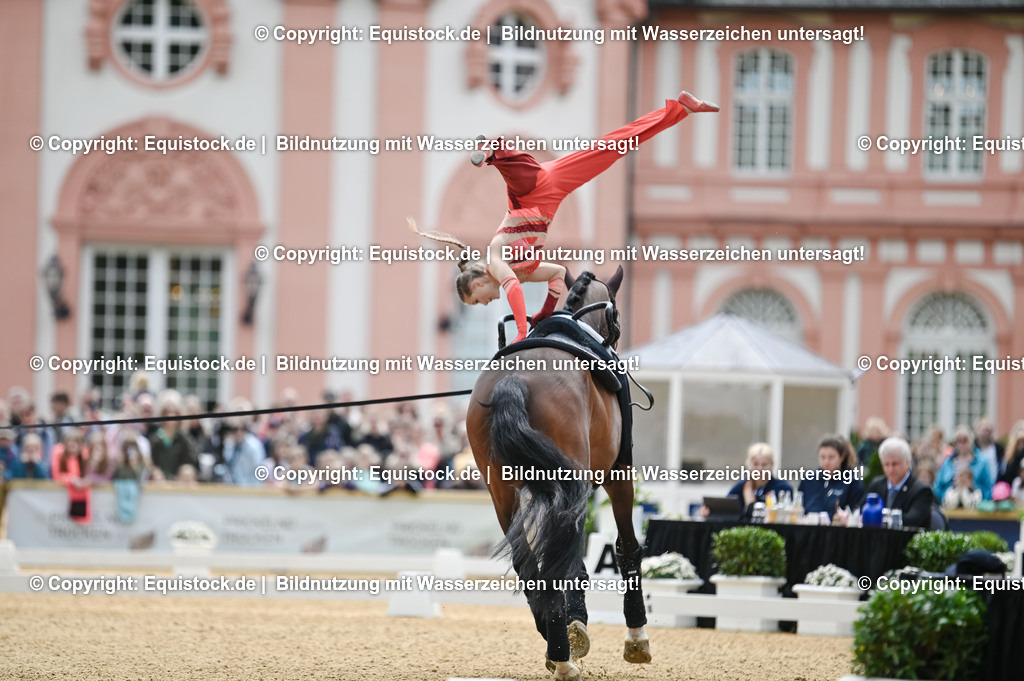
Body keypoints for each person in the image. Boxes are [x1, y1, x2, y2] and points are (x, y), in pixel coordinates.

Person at [411, 90, 719, 344]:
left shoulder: (495, 259)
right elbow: (558, 274)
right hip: (552, 193)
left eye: (478, 300)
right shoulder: (521, 272)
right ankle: (680, 109)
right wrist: (546, 311)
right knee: (613, 147)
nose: (485, 304)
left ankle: (494, 150)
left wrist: (521, 331)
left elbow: (512, 288)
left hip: (529, 195)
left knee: (522, 172)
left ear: (477, 283)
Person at [863, 437, 933, 529]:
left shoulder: (921, 490)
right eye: (886, 464)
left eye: (895, 464)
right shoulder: (876, 484)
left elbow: (913, 520)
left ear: (907, 463)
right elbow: (860, 510)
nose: (890, 469)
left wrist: (877, 517)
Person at [798, 434, 865, 519]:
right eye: (822, 457)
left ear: (842, 457)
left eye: (831, 457)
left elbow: (856, 514)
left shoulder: (853, 482)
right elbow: (798, 508)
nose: (826, 462)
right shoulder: (808, 479)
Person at [727, 442, 793, 519]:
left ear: (772, 464)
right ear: (749, 464)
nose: (760, 469)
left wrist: (749, 496)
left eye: (764, 465)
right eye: (755, 464)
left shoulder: (783, 488)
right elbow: (726, 508)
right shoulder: (742, 486)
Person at [933, 425, 993, 502]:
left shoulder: (983, 461)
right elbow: (938, 487)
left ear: (971, 441)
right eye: (959, 441)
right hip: (950, 503)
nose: (962, 444)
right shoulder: (947, 462)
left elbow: (988, 489)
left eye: (965, 440)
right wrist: (948, 493)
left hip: (975, 503)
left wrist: (972, 486)